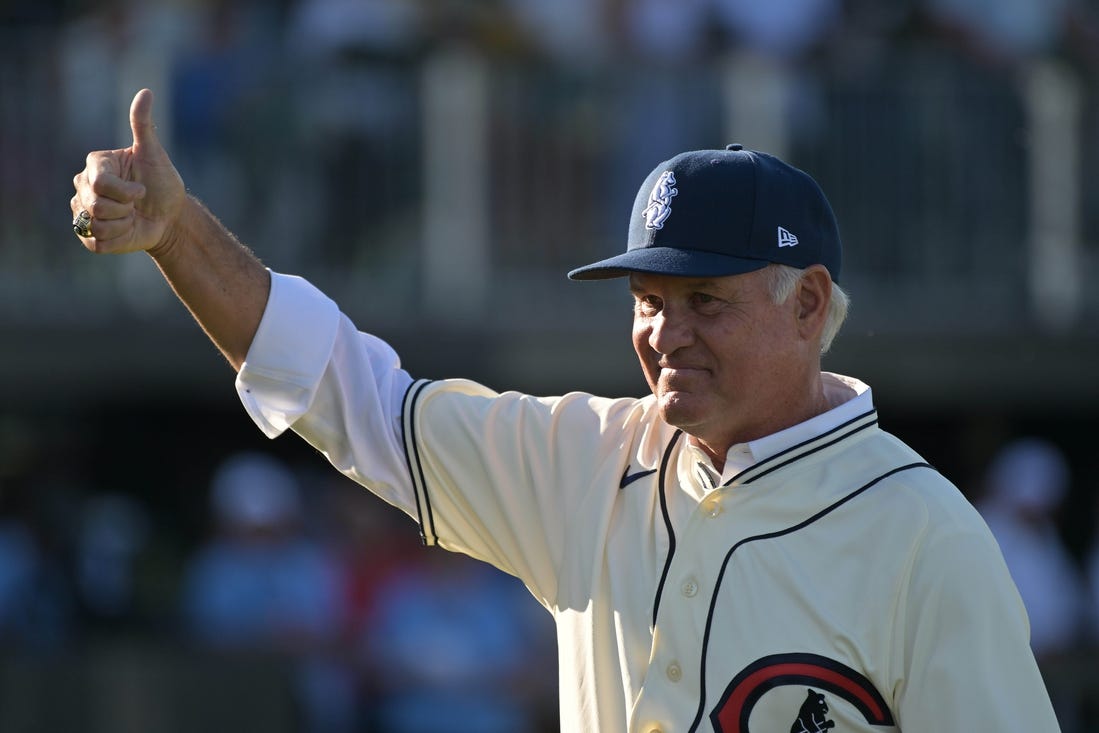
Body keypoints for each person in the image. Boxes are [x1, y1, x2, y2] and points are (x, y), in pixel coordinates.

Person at [71, 89, 1060, 732]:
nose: (664, 335)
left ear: (805, 304)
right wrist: (176, 234)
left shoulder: (922, 533)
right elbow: (346, 392)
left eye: (704, 302)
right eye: (646, 301)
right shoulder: (588, 458)